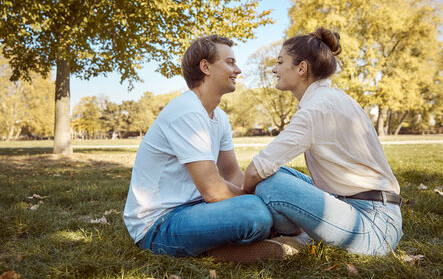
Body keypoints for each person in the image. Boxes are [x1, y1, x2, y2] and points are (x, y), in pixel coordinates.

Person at [123, 35, 288, 263]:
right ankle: (219, 250)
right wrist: (267, 207)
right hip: (158, 224)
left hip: (196, 209)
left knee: (269, 192)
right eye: (230, 62)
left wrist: (272, 198)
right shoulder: (186, 111)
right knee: (254, 213)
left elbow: (232, 174)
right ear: (205, 67)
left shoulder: (219, 117)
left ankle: (221, 247)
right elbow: (214, 191)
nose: (238, 70)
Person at [243, 27, 403, 256]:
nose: (274, 69)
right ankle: (299, 236)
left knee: (269, 185)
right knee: (282, 174)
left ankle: (296, 238)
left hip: (373, 227)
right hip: (366, 210)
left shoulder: (314, 110)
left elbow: (254, 172)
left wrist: (246, 201)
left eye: (280, 62)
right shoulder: (336, 98)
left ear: (301, 68)